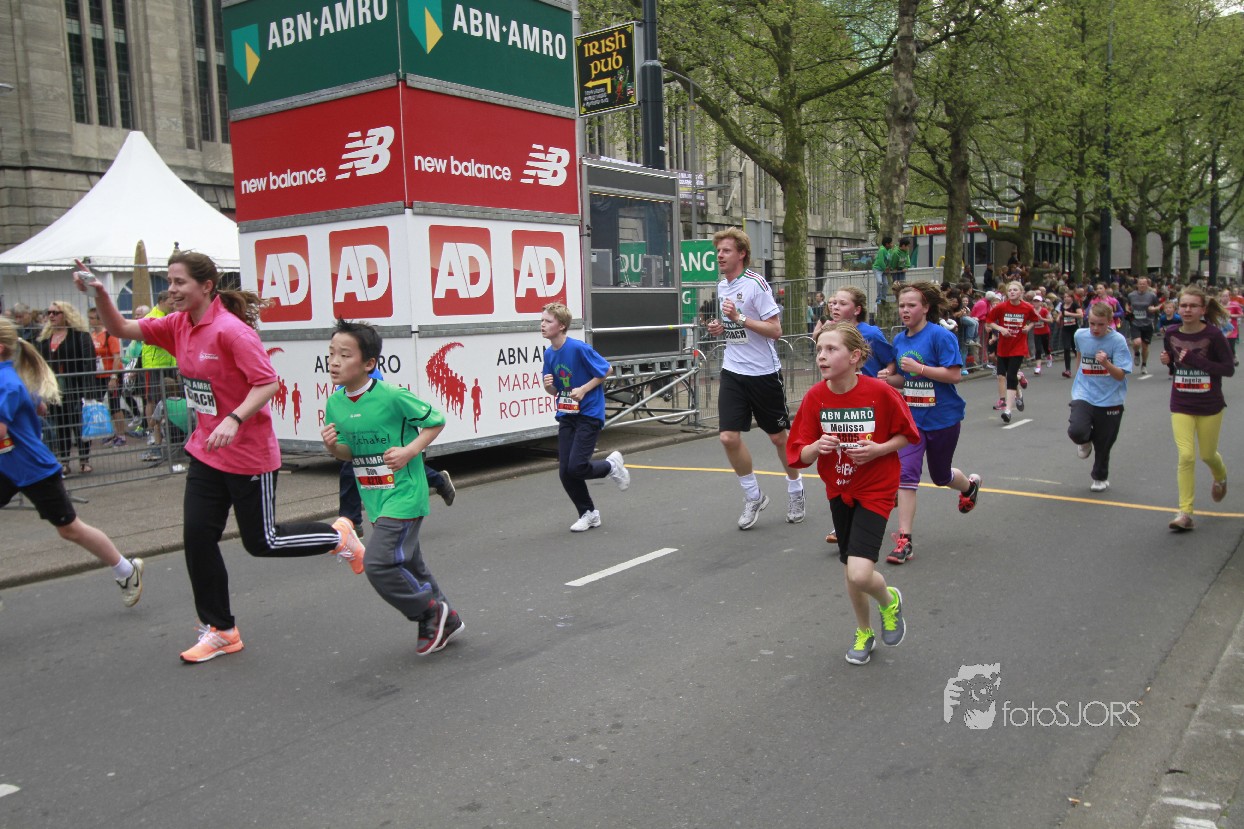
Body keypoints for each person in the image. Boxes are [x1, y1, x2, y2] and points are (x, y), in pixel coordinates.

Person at [78, 252, 367, 663]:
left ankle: (338, 537)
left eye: (179, 282)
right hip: (206, 452)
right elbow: (120, 327)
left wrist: (233, 418)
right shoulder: (177, 325)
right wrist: (100, 294)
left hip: (249, 456)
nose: (171, 290)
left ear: (206, 286)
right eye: (169, 282)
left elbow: (267, 383)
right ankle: (221, 630)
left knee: (262, 542)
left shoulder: (232, 332)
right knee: (198, 538)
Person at [322, 320, 464, 655]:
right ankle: (448, 619)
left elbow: (436, 421)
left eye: (345, 355)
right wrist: (332, 448)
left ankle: (429, 612)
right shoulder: (335, 404)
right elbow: (349, 453)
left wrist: (409, 451)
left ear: (369, 363)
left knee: (377, 563)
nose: (335, 362)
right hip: (375, 497)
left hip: (405, 493)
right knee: (411, 565)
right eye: (331, 354)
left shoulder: (392, 396)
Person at [786, 323, 918, 665]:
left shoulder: (880, 393)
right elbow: (799, 453)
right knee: (850, 567)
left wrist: (878, 450)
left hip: (876, 488)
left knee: (860, 572)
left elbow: (907, 435)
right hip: (839, 489)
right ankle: (864, 631)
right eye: (819, 350)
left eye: (831, 349)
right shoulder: (816, 397)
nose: (822, 356)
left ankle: (889, 600)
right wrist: (817, 446)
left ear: (855, 356)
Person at [0, 318, 144, 606]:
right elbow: (40, 408)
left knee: (70, 529)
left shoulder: (7, 382)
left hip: (34, 469)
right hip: (7, 468)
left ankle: (126, 570)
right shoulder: (12, 377)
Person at [705, 227, 806, 529]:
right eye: (718, 251)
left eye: (726, 250)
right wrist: (720, 327)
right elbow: (734, 327)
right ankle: (753, 496)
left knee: (778, 437)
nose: (720, 255)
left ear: (742, 254)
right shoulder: (722, 286)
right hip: (733, 371)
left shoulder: (756, 284)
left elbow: (775, 330)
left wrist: (739, 318)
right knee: (728, 436)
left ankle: (796, 489)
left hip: (763, 373)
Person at [877, 282, 983, 564]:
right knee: (906, 475)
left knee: (940, 476)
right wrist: (888, 380)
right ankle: (904, 540)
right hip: (912, 420)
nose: (905, 310)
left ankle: (969, 486)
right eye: (901, 305)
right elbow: (905, 379)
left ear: (925, 308)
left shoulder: (940, 336)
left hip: (943, 417)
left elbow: (955, 375)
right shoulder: (900, 340)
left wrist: (920, 368)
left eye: (911, 305)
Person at [540, 302, 630, 532]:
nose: (542, 325)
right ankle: (588, 513)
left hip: (588, 413)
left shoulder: (578, 348)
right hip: (567, 413)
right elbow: (555, 390)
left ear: (561, 325)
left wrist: (583, 389)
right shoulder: (549, 353)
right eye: (542, 320)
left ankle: (611, 466)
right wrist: (548, 386)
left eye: (548, 321)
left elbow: (606, 369)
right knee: (565, 472)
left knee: (577, 466)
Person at [816, 285, 895, 544]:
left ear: (857, 309)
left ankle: (880, 495)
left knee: (870, 456)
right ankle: (846, 520)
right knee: (846, 459)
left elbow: (890, 359)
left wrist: (887, 375)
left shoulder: (870, 333)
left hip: (871, 404)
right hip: (843, 405)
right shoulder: (829, 331)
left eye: (842, 303)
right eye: (833, 302)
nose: (834, 307)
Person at [1159, 285, 1234, 532]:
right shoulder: (1171, 333)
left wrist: (1195, 360)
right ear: (1177, 308)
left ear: (1203, 309)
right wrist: (1168, 362)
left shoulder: (1214, 335)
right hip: (1181, 402)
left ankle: (1220, 477)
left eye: (1193, 306)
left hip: (1209, 404)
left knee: (1207, 455)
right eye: (1183, 305)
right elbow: (1176, 366)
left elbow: (1228, 369)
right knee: (1186, 456)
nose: (1187, 310)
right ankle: (1185, 513)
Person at [1068, 302, 1132, 493]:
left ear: (1110, 322)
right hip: (1084, 392)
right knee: (1077, 430)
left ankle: (1100, 477)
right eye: (1092, 323)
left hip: (1111, 398)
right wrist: (1078, 376)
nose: (1095, 328)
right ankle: (1084, 441)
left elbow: (1120, 375)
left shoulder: (1118, 341)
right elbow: (1080, 356)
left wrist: (1106, 364)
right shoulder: (1080, 335)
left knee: (1104, 443)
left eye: (1101, 324)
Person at [35, 300, 96, 475]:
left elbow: (89, 363)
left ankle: (84, 460)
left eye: (56, 312)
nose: (51, 316)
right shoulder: (44, 339)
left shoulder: (80, 336)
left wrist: (88, 391)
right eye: (49, 312)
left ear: (66, 315)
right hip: (54, 390)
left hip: (76, 387)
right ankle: (64, 461)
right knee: (60, 426)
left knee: (79, 424)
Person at [985, 281, 1040, 423]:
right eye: (1010, 290)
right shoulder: (1002, 307)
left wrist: (1028, 328)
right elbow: (989, 321)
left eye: (1015, 290)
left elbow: (1034, 319)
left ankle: (1008, 410)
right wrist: (1001, 329)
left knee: (1010, 376)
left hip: (1018, 346)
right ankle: (1019, 388)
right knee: (1003, 374)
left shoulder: (1027, 307)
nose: (1012, 292)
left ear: (1021, 292)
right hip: (1003, 347)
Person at [140, 292, 178, 462]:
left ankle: (169, 432)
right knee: (153, 400)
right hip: (154, 367)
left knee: (171, 399)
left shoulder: (169, 316)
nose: (173, 305)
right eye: (171, 302)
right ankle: (152, 433)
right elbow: (153, 339)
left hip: (170, 365)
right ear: (161, 301)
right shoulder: (152, 317)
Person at [88, 307, 127, 446]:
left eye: (92, 318)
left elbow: (117, 357)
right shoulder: (92, 335)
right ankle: (110, 432)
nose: (89, 321)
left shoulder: (109, 335)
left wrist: (114, 377)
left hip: (112, 375)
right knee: (99, 404)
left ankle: (121, 435)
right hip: (99, 375)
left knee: (114, 404)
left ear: (100, 320)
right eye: (89, 318)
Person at [1126, 277, 1160, 375]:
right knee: (1137, 342)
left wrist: (1154, 309)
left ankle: (1144, 365)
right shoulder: (1131, 295)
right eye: (1140, 284)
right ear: (1137, 285)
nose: (1142, 285)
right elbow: (1127, 304)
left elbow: (1158, 306)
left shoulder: (1152, 296)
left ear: (1147, 285)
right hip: (1135, 322)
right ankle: (1136, 353)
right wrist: (1127, 309)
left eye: (1144, 284)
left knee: (1145, 347)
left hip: (1147, 322)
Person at [1057, 289, 1083, 378]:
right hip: (1065, 329)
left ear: (1072, 298)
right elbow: (1062, 313)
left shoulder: (1075, 305)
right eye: (1064, 297)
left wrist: (1070, 314)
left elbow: (1080, 315)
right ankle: (1068, 370)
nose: (1066, 298)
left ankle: (1082, 367)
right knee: (1066, 348)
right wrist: (1058, 317)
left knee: (1075, 349)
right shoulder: (1062, 305)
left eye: (1068, 296)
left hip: (1074, 329)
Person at [1219, 288, 1241, 366]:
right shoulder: (1218, 306)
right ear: (1220, 297)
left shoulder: (1234, 304)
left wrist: (1231, 315)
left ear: (1229, 297)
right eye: (1223, 296)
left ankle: (1233, 356)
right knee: (1222, 345)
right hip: (1221, 329)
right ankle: (1224, 360)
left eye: (1226, 296)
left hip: (1232, 329)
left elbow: (1241, 314)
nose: (1225, 298)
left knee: (1231, 346)